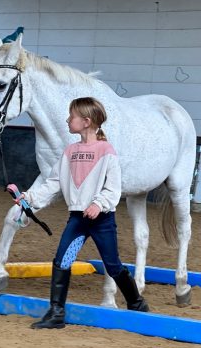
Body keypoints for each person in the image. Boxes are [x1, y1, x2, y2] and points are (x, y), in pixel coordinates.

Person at [17, 97, 149, 330]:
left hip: (101, 220)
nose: (68, 120)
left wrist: (98, 204)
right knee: (61, 262)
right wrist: (30, 197)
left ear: (86, 121)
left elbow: (113, 188)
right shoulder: (70, 151)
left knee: (113, 266)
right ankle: (56, 313)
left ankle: (137, 304)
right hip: (77, 219)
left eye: (72, 116)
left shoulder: (106, 151)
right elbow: (53, 182)